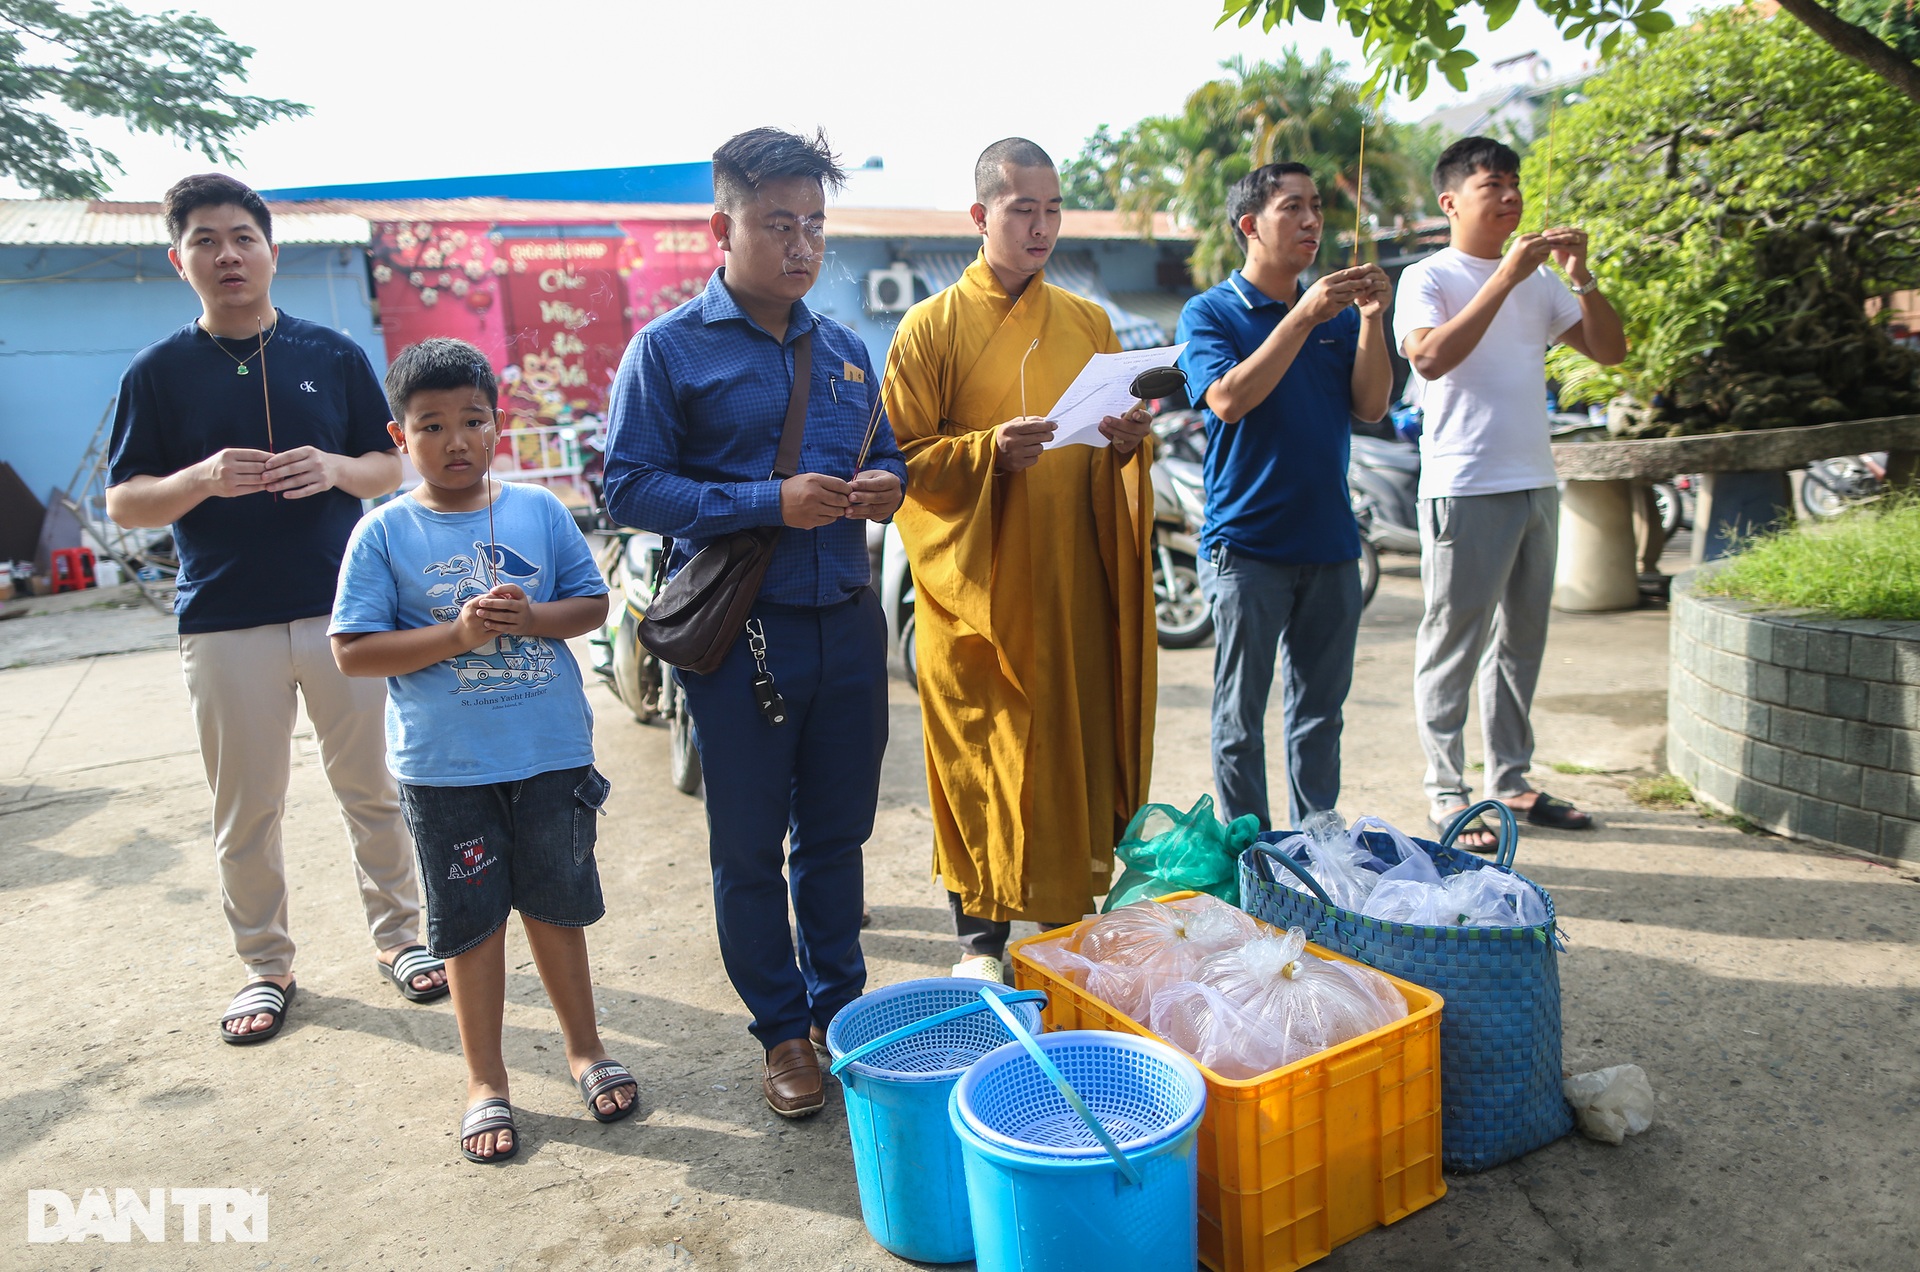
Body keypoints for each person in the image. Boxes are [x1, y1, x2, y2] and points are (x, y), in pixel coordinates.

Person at [602, 128, 906, 1118]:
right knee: (747, 850)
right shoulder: (668, 351)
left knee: (838, 838)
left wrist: (880, 491)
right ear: (721, 227)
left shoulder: (850, 350)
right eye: (778, 224)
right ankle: (781, 1032)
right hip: (743, 643)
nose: (802, 245)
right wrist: (767, 502)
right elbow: (630, 488)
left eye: (814, 225)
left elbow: (894, 461)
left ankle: (839, 1015)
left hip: (849, 626)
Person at [105, 173, 445, 1047]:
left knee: (374, 788)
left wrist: (334, 468)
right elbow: (127, 503)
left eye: (242, 237)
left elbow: (387, 467)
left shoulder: (331, 354)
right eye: (206, 240)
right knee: (246, 806)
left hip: (346, 613)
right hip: (225, 618)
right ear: (178, 259)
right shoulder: (158, 373)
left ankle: (402, 939)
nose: (227, 254)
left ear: (271, 251)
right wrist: (198, 480)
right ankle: (265, 965)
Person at [330, 338, 630, 1163]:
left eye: (471, 421)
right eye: (430, 426)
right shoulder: (383, 535)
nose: (454, 441)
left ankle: (584, 1050)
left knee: (557, 908)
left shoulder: (537, 509)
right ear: (399, 437)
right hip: (445, 769)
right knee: (467, 926)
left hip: (549, 755)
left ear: (497, 426)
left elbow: (592, 604)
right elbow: (353, 651)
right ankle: (485, 1081)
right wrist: (456, 634)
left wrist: (532, 618)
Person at [883, 138, 1156, 982]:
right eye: (1021, 210)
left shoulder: (1089, 322)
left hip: (1072, 575)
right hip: (978, 587)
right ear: (980, 216)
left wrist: (1127, 442)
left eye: (1051, 210)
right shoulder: (928, 328)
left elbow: (1113, 441)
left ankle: (1066, 917)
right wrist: (985, 453)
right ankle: (980, 936)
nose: (1040, 228)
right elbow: (898, 461)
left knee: (1069, 744)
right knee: (983, 751)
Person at [1392, 136, 1628, 848]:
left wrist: (1579, 276)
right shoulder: (1428, 276)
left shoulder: (1542, 279)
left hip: (1534, 479)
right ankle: (1445, 791)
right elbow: (1430, 357)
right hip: (1464, 482)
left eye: (1514, 182)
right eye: (1492, 183)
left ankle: (1511, 781)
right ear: (1451, 201)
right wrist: (1507, 276)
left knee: (1522, 642)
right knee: (1454, 642)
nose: (1509, 195)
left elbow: (1610, 350)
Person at [1176, 163, 1394, 831]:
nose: (1312, 221)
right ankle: (1253, 861)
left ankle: (1316, 847)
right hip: (1248, 548)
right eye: (1292, 207)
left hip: (1331, 544)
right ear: (1250, 226)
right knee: (1240, 720)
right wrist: (1303, 315)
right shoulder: (1211, 312)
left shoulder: (1334, 315)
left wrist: (1371, 321)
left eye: (1317, 208)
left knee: (1320, 715)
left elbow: (1373, 404)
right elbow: (1228, 399)